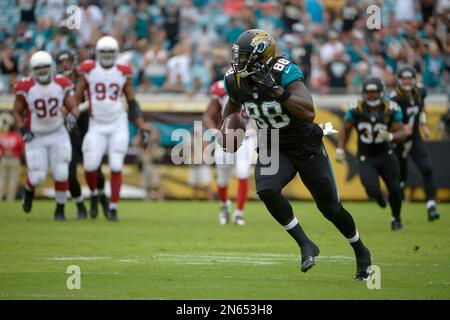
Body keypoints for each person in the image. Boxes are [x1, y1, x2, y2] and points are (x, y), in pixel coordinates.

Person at [222, 29, 372, 280]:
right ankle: (305, 244)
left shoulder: (283, 71)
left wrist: (277, 91)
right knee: (267, 190)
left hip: (305, 144)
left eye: (245, 55)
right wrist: (227, 129)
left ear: (260, 56)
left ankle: (360, 250)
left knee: (330, 208)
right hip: (273, 143)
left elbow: (308, 111)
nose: (238, 61)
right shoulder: (234, 79)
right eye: (238, 55)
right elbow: (232, 107)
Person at [75, 36, 150, 221]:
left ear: (116, 54)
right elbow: (76, 98)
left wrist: (141, 127)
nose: (107, 56)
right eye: (104, 52)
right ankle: (94, 195)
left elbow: (131, 102)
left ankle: (113, 206)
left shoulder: (123, 72)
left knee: (116, 165)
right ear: (98, 54)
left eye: (110, 52)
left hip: (118, 123)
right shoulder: (89, 70)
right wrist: (70, 115)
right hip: (97, 124)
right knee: (90, 164)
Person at [13, 50, 79, 220]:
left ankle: (60, 209)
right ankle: (28, 191)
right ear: (33, 69)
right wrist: (22, 130)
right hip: (36, 136)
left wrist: (73, 116)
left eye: (45, 67)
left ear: (51, 67)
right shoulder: (25, 86)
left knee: (62, 173)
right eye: (39, 68)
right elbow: (17, 111)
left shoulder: (61, 83)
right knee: (37, 177)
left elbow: (74, 106)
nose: (42, 71)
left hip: (58, 133)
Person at [336, 76, 408, 231]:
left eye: (375, 92)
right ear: (363, 93)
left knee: (395, 189)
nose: (372, 96)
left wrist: (391, 136)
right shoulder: (356, 108)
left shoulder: (391, 108)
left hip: (386, 154)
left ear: (381, 92)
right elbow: (345, 129)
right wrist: (340, 148)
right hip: (366, 156)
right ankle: (379, 197)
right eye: (369, 93)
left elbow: (402, 132)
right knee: (372, 189)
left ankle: (396, 219)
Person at [55, 50, 109, 220]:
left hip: (87, 128)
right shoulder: (56, 83)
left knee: (96, 170)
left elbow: (89, 101)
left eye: (67, 61)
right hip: (68, 134)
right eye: (61, 62)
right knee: (69, 175)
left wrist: (73, 111)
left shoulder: (83, 78)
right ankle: (80, 205)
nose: (65, 65)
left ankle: (99, 198)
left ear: (73, 61)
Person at [388, 65, 441, 221]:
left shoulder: (420, 91)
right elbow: (385, 118)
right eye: (403, 78)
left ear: (414, 79)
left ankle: (431, 205)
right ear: (398, 80)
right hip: (398, 139)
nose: (406, 81)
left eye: (409, 78)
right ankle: (396, 216)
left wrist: (423, 124)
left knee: (427, 168)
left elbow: (421, 107)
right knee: (399, 177)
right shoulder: (394, 97)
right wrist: (400, 128)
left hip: (415, 136)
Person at [203, 80, 256, 225]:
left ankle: (239, 212)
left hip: (247, 136)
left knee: (243, 172)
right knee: (222, 178)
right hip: (226, 136)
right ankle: (224, 204)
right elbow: (208, 115)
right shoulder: (222, 87)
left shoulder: (255, 84)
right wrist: (214, 129)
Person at [0, 112, 24, 201]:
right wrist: (24, 160)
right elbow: (22, 150)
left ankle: (0, 197)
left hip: (4, 159)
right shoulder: (17, 137)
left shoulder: (2, 137)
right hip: (14, 159)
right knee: (13, 180)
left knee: (2, 179)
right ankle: (10, 199)